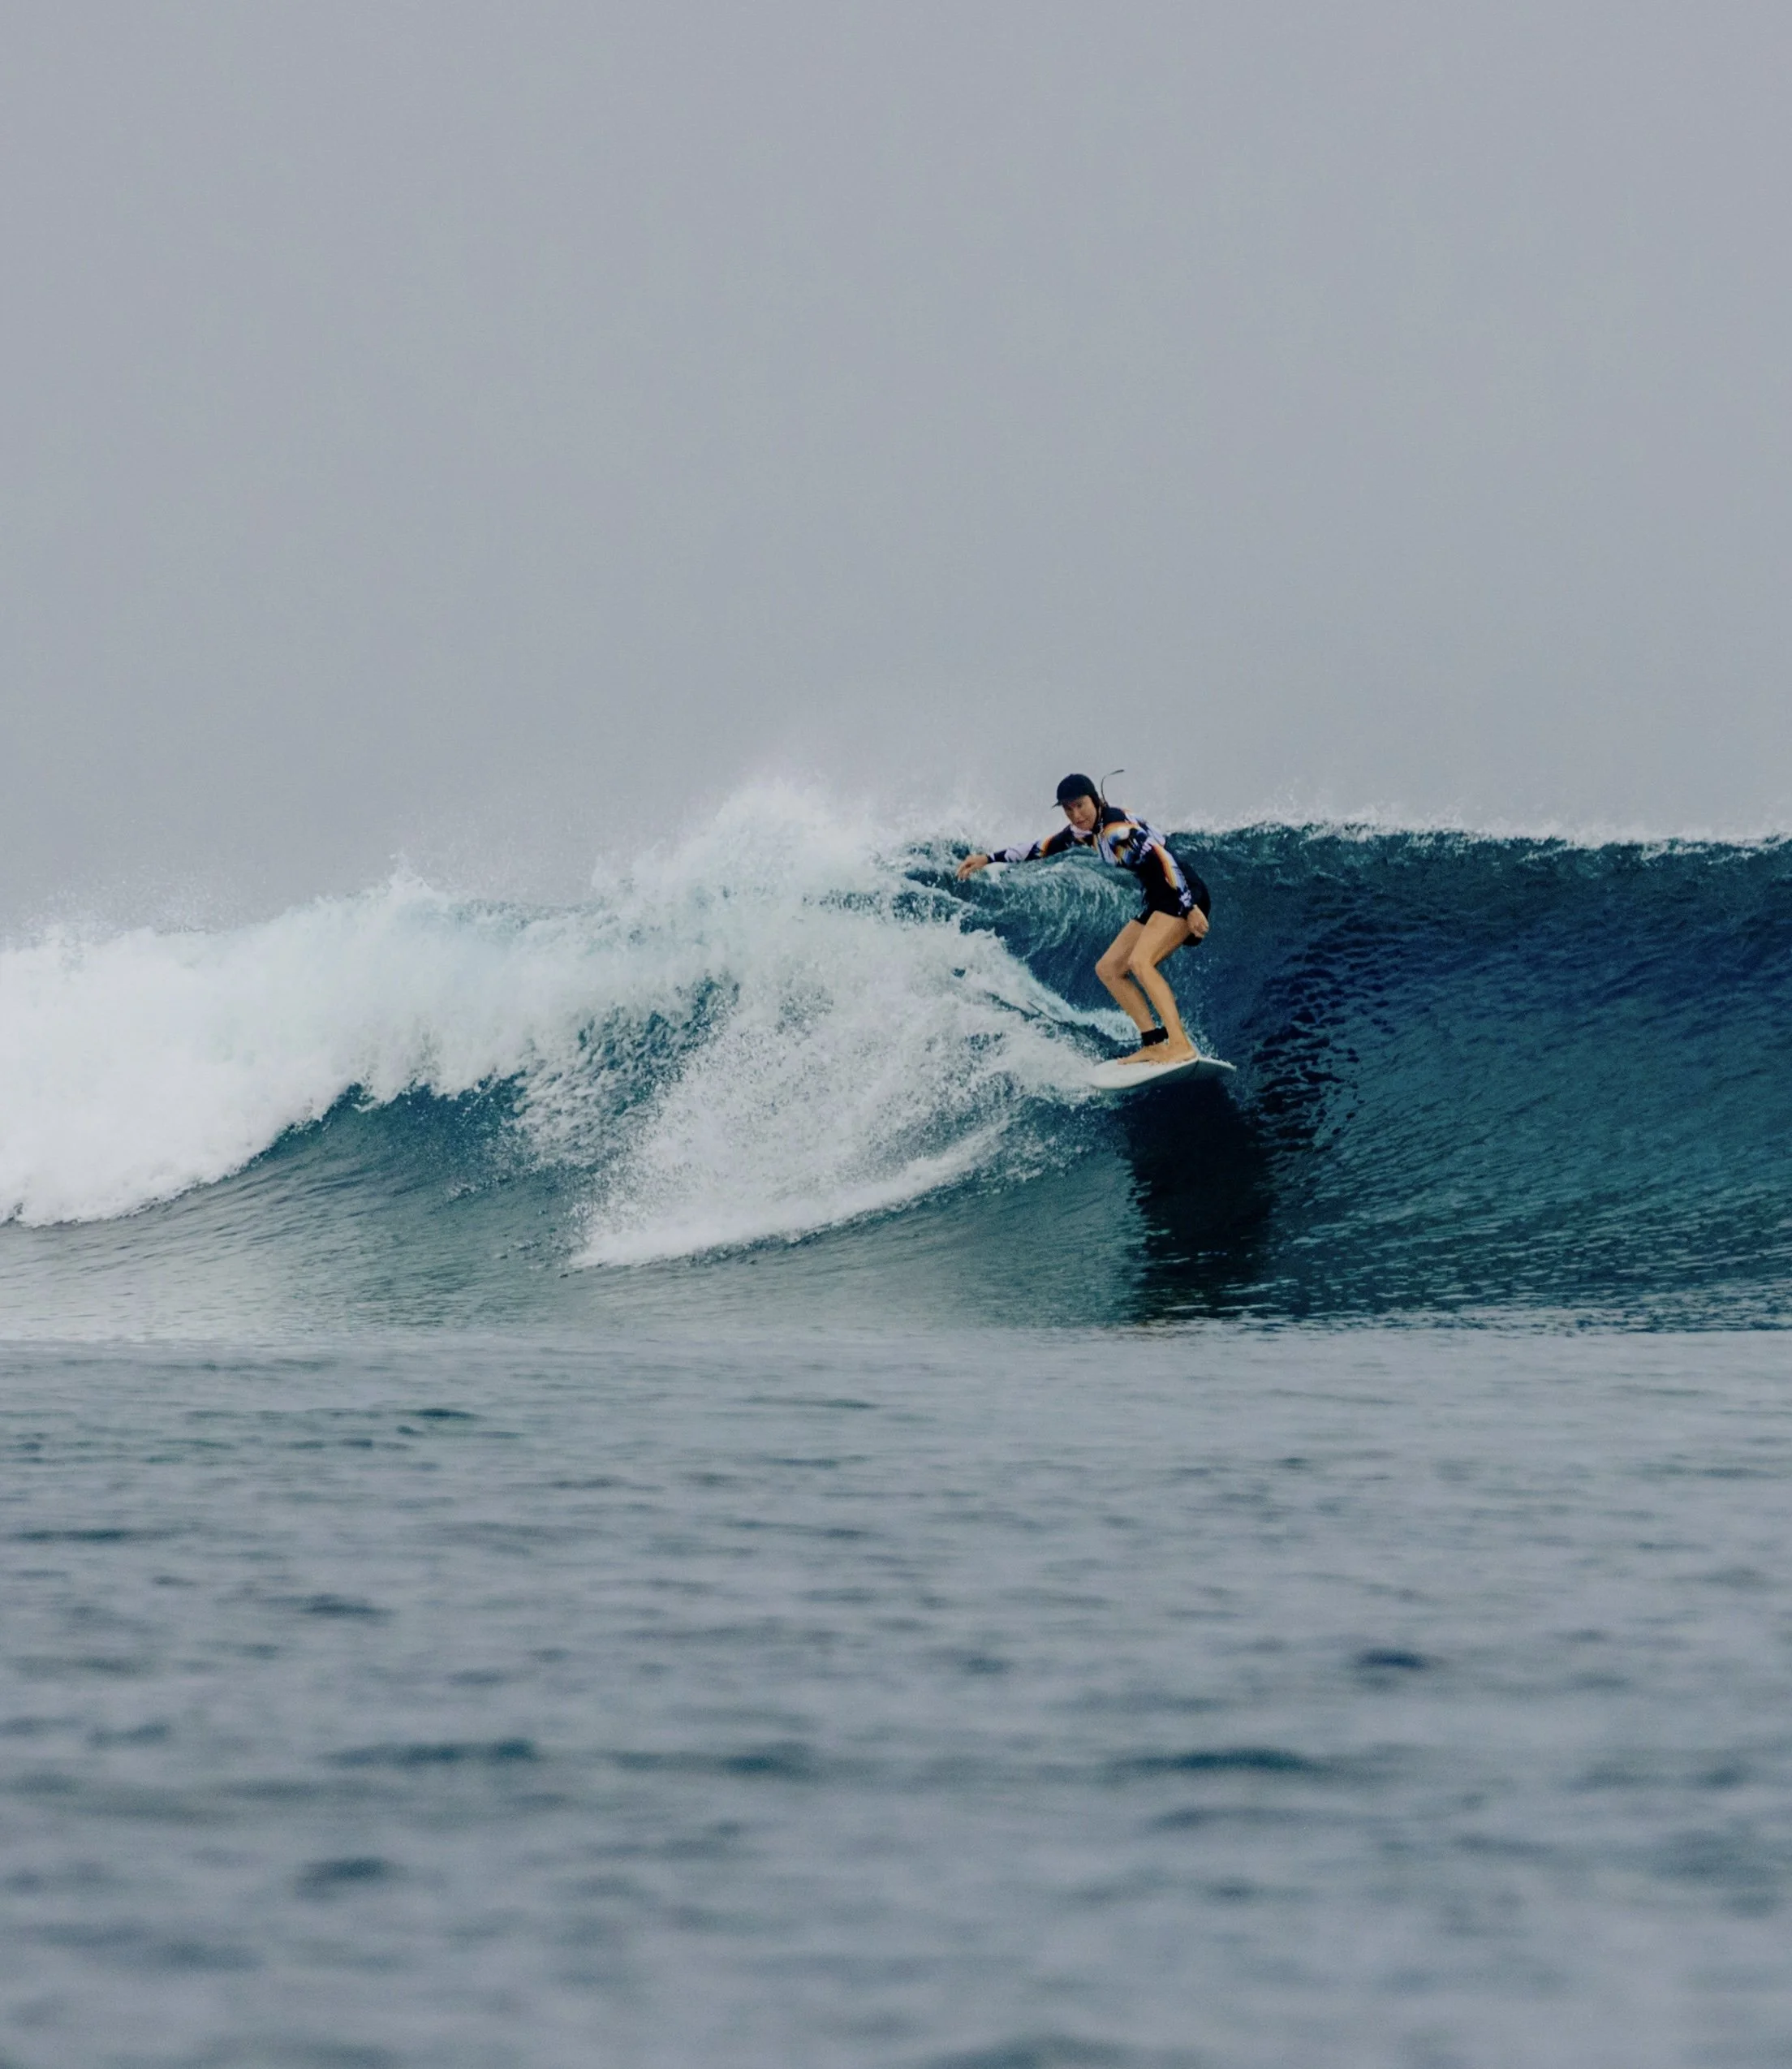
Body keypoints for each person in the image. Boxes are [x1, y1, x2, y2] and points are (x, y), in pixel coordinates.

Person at [957, 774, 1211, 1065]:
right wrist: (988, 858)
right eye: (1068, 809)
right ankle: (1153, 1043)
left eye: (1080, 806)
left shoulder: (1116, 830)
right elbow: (1042, 847)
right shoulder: (1086, 831)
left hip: (1180, 892)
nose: (1076, 815)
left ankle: (1180, 1044)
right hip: (1156, 898)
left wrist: (1189, 906)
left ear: (1096, 800)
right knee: (1109, 968)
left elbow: (1163, 858)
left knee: (1140, 962)